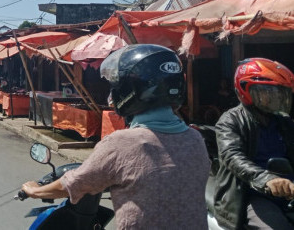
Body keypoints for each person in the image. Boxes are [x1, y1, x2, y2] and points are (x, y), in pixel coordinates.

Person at [21, 44, 210, 229]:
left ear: (129, 90)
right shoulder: (195, 139)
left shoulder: (121, 143)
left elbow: (75, 184)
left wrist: (35, 191)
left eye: (116, 85)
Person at [212, 57, 294, 229]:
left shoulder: (283, 122)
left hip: (288, 191)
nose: (277, 98)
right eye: (270, 92)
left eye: (280, 93)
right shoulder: (230, 120)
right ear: (247, 90)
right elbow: (232, 156)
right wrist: (266, 179)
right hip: (250, 193)